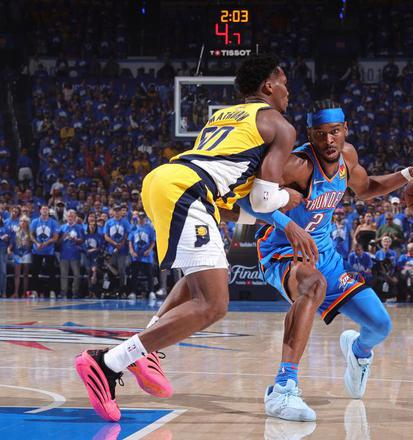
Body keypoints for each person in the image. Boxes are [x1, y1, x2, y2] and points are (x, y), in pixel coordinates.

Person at [74, 53, 317, 422]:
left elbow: (234, 203)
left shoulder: (224, 116)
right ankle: (108, 362)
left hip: (171, 182)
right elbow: (264, 199)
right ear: (269, 85)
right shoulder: (279, 125)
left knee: (198, 282)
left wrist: (270, 215)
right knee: (213, 304)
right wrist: (287, 201)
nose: (288, 92)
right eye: (284, 85)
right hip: (186, 192)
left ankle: (146, 348)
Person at [253, 99, 413, 420]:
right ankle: (283, 387)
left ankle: (358, 351)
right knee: (312, 285)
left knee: (380, 325)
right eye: (320, 134)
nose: (329, 140)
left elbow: (366, 187)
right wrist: (287, 224)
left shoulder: (348, 158)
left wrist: (408, 173)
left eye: (335, 132)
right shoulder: (296, 166)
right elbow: (250, 201)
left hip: (325, 256)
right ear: (310, 135)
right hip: (283, 252)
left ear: (345, 129)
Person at [31, 205, 60, 297]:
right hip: (37, 250)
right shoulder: (35, 221)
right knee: (35, 271)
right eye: (43, 209)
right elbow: (31, 235)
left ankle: (52, 291)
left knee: (51, 272)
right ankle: (35, 291)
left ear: (49, 211)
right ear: (40, 210)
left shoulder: (53, 222)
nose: (45, 210)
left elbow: (55, 237)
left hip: (49, 250)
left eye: (46, 209)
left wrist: (46, 243)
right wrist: (37, 243)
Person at [128, 211, 156, 299]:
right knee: (134, 274)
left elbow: (153, 241)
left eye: (142, 217)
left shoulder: (149, 228)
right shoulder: (133, 228)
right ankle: (133, 292)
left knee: (149, 275)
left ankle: (151, 291)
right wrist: (132, 251)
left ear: (145, 218)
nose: (141, 219)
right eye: (139, 217)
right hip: (136, 256)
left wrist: (149, 250)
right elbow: (130, 241)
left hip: (147, 256)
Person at [59, 209, 84, 299]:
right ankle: (63, 293)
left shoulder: (80, 227)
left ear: (75, 217)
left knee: (76, 275)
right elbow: (58, 242)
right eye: (69, 216)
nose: (70, 218)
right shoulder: (62, 227)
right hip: (64, 255)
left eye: (72, 216)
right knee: (63, 275)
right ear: (66, 217)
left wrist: (76, 240)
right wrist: (62, 237)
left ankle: (75, 293)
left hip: (75, 255)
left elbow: (82, 240)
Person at [10, 215, 33, 298]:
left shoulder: (30, 233)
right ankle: (16, 292)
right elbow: (12, 243)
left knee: (25, 274)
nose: (22, 223)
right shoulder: (15, 232)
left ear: (27, 223)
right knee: (17, 274)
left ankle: (24, 293)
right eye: (21, 221)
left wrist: (27, 242)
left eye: (24, 221)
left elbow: (32, 244)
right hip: (17, 254)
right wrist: (9, 249)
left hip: (26, 253)